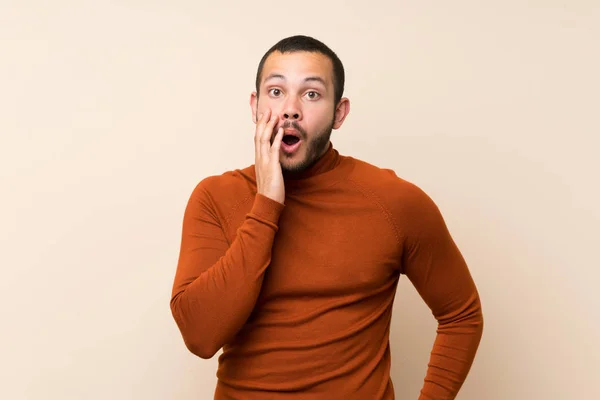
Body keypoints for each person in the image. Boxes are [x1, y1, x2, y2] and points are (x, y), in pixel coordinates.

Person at [170, 34, 484, 399]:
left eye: (311, 94)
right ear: (255, 106)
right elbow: (200, 336)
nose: (290, 109)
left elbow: (461, 315)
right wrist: (267, 201)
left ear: (339, 112)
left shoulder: (394, 201)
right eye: (276, 92)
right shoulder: (214, 197)